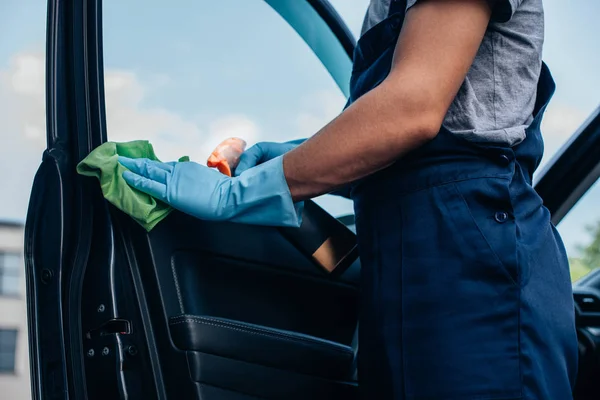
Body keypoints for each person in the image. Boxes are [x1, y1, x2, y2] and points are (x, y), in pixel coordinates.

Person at [118, 0, 578, 398]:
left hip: (473, 263)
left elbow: (413, 109)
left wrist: (243, 192)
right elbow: (390, 148)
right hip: (406, 273)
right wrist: (291, 158)